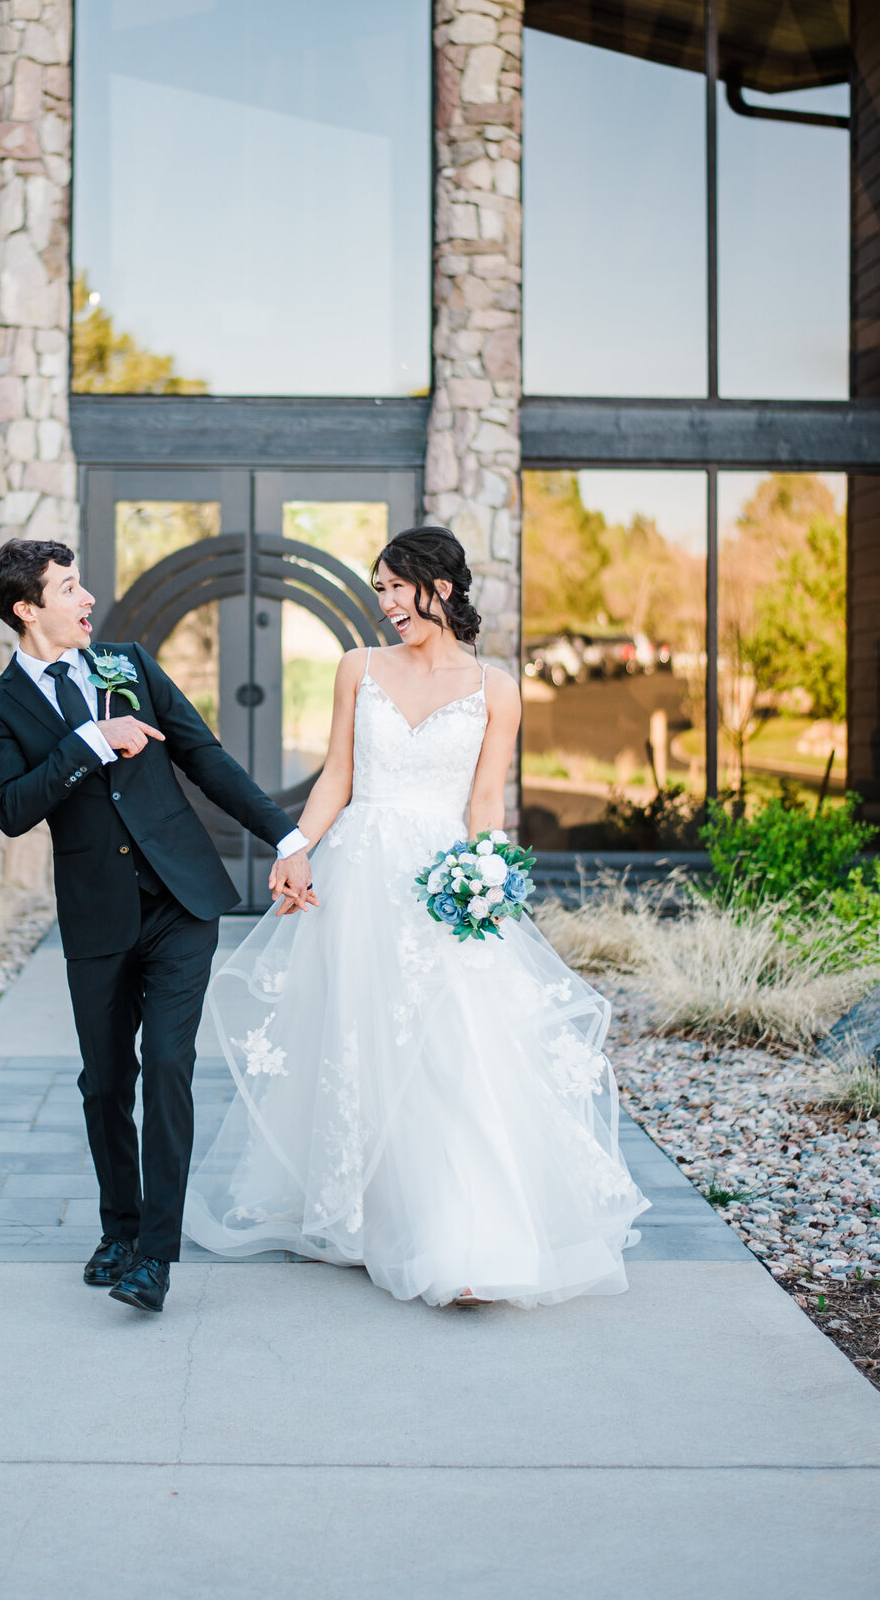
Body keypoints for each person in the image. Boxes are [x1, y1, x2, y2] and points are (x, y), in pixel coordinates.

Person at [185, 525, 649, 1308]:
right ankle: (361, 1213)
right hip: (359, 873)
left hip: (441, 883)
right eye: (380, 591)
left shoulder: (496, 687)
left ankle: (464, 1237)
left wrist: (487, 880)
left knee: (453, 1046)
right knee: (360, 1036)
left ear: (439, 585)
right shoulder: (356, 669)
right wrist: (296, 847)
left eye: (396, 587)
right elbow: (339, 773)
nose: (387, 604)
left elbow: (483, 805)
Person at [0, 539, 313, 1315]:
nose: (87, 597)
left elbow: (203, 755)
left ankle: (154, 1254)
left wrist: (287, 837)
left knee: (166, 1065)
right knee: (105, 1083)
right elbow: (14, 809)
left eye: (80, 582)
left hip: (182, 901)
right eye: (67, 587)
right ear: (27, 609)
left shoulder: (127, 662)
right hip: (97, 918)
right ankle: (118, 1228)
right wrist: (90, 742)